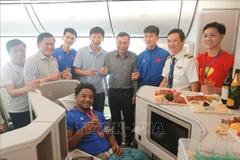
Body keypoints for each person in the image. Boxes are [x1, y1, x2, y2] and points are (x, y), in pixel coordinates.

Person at [66, 83, 149, 160]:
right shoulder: (70, 117)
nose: (87, 99)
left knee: (142, 155)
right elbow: (67, 145)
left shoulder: (99, 115)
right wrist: (83, 131)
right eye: (83, 96)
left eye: (91, 97)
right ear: (76, 97)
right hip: (94, 156)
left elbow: (108, 134)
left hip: (110, 152)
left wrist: (115, 145)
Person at [100, 32, 137, 147]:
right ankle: (117, 139)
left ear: (129, 43)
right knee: (115, 118)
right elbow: (104, 73)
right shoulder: (109, 56)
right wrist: (103, 75)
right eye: (120, 42)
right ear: (116, 42)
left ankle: (129, 140)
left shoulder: (134, 56)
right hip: (113, 91)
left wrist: (135, 94)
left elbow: (135, 77)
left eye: (125, 42)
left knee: (129, 118)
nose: (122, 45)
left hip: (128, 91)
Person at [1, 39, 39, 129]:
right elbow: (12, 93)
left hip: (34, 106)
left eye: (22, 50)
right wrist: (30, 87)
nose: (19, 53)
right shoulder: (5, 69)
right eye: (15, 51)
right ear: (9, 53)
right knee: (25, 136)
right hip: (18, 110)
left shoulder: (31, 64)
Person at [74, 27, 108, 113]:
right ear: (90, 37)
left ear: (102, 39)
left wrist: (104, 72)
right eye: (94, 37)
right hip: (84, 91)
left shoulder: (106, 54)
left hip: (99, 90)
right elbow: (76, 70)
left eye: (99, 37)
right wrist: (86, 73)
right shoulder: (81, 51)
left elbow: (106, 73)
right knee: (83, 114)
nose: (96, 40)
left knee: (99, 114)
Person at [197, 22, 234, 95]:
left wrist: (215, 90)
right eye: (205, 36)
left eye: (212, 35)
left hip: (219, 103)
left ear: (222, 36)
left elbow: (235, 89)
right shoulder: (199, 59)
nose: (208, 39)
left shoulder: (229, 60)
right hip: (198, 100)